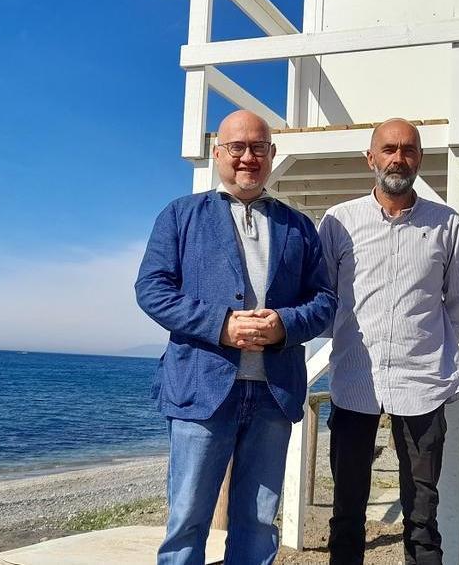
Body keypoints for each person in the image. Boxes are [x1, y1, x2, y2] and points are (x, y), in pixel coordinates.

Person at [136, 110, 337, 565]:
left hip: (273, 392)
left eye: (259, 148)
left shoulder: (299, 226)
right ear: (218, 152)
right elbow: (151, 289)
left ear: (272, 154)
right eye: (238, 148)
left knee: (259, 523)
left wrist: (284, 325)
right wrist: (221, 324)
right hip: (201, 391)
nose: (249, 157)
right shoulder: (180, 215)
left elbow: (325, 301)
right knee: (187, 519)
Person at [316, 118, 459, 565]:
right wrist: (347, 340)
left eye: (407, 150)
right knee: (346, 510)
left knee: (423, 515)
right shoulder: (339, 221)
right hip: (354, 381)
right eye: (388, 149)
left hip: (421, 385)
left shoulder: (447, 224)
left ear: (420, 159)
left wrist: (427, 347)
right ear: (371, 157)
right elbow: (325, 297)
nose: (397, 158)